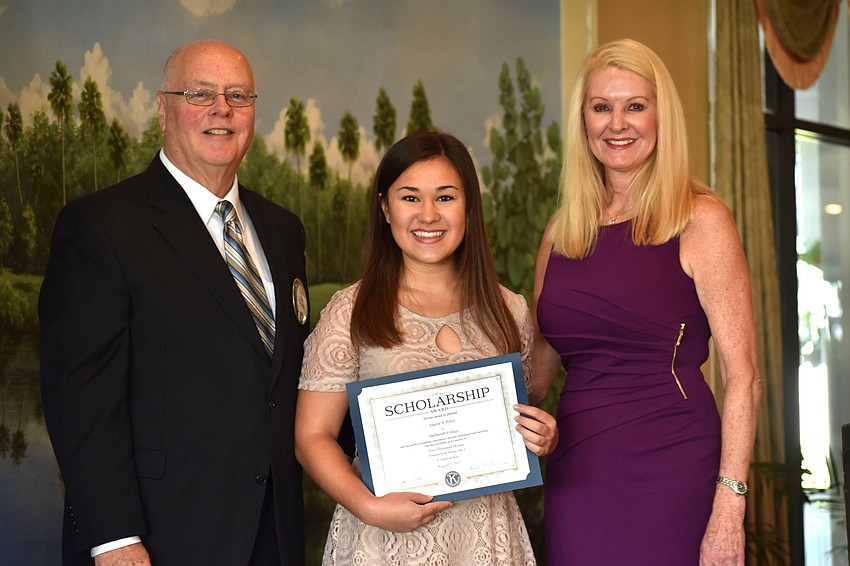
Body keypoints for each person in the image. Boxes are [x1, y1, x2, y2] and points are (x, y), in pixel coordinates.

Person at [39, 40, 308, 566]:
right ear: (163, 109)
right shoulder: (100, 226)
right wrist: (114, 539)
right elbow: (81, 399)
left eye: (238, 95)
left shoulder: (282, 230)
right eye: (198, 93)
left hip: (273, 534)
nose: (221, 109)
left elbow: (289, 383)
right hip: (158, 539)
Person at [531, 39, 761, 565]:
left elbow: (743, 374)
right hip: (578, 474)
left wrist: (730, 506)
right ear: (583, 120)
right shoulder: (560, 233)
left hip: (675, 467)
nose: (618, 123)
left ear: (662, 117)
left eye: (635, 106)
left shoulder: (701, 219)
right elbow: (537, 376)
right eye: (601, 107)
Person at [295, 131, 558, 565]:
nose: (429, 215)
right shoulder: (351, 310)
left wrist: (543, 435)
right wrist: (370, 507)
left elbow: (516, 422)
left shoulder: (509, 310)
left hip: (485, 539)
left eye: (446, 197)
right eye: (410, 197)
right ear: (385, 207)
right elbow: (311, 437)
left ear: (469, 206)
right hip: (382, 539)